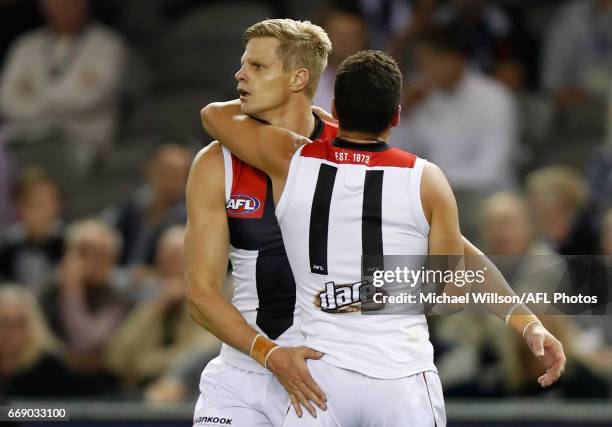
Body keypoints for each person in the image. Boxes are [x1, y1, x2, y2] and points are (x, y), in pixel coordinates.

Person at [201, 50, 566, 426]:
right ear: (397, 116)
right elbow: (451, 279)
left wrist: (315, 115)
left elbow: (214, 115)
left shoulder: (290, 160)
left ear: (336, 109)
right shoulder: (425, 179)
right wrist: (527, 322)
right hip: (401, 377)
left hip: (320, 377)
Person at [0, 0, 126, 169]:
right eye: (56, 3)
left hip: (81, 141)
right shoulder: (25, 45)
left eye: (69, 3)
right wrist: (56, 102)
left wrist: (35, 95)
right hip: (24, 139)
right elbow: (7, 100)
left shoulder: (108, 45)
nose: (63, 8)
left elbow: (90, 98)